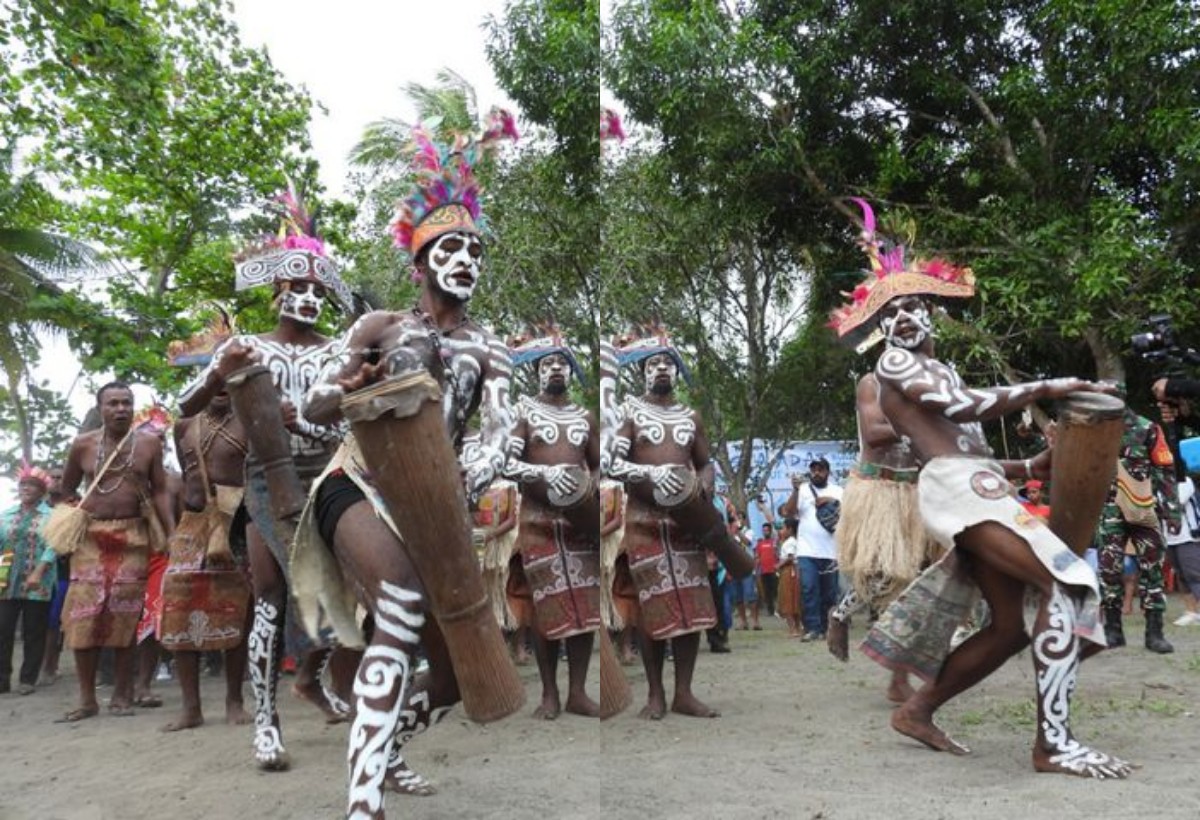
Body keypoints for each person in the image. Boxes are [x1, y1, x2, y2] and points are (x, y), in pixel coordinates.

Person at [833, 202, 1129, 778]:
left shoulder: (939, 370)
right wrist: (1050, 385)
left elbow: (964, 446)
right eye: (893, 312)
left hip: (974, 485)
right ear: (881, 330)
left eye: (917, 305)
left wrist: (1028, 465)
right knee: (1066, 584)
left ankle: (918, 708)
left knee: (1010, 627)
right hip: (959, 495)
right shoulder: (894, 366)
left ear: (934, 314)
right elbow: (961, 412)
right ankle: (1054, 745)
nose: (907, 318)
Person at [293, 126, 516, 815]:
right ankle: (362, 804)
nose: (467, 259)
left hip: (436, 507)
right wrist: (347, 386)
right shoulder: (379, 328)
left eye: (476, 250)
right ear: (420, 261)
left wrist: (467, 480)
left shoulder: (492, 348)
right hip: (357, 482)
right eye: (451, 247)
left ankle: (388, 748)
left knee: (450, 680)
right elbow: (312, 409)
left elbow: (500, 436)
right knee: (398, 603)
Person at [177, 187, 354, 768]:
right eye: (295, 289)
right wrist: (215, 376)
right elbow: (186, 404)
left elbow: (344, 432)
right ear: (277, 294)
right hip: (265, 483)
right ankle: (265, 723)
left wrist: (300, 419)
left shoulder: (336, 354)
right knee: (274, 598)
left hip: (329, 477)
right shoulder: (244, 348)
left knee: (342, 594)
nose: (307, 299)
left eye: (316, 291)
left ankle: (310, 676)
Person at [609, 331, 720, 719]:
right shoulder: (631, 414)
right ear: (643, 371)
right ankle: (655, 693)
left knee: (691, 610)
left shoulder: (691, 417)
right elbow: (613, 464)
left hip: (686, 525)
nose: (661, 369)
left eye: (667, 364)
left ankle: (684, 693)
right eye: (653, 364)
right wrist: (651, 475)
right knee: (650, 609)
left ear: (676, 370)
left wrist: (702, 486)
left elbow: (705, 463)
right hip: (645, 523)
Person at [55, 381, 176, 721]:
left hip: (134, 535)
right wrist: (69, 524)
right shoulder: (82, 445)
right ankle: (86, 699)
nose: (120, 409)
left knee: (125, 616)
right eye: (113, 404)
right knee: (83, 617)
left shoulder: (149, 444)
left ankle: (123, 695)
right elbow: (65, 490)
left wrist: (170, 532)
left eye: (126, 403)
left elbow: (161, 490)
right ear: (100, 408)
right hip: (91, 539)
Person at [504, 334, 601, 719]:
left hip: (579, 524)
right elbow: (508, 464)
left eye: (561, 362)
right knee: (546, 608)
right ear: (536, 372)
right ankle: (549, 694)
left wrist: (589, 482)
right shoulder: (522, 413)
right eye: (547, 364)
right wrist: (546, 472)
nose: (555, 368)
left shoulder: (584, 417)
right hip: (538, 522)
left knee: (583, 610)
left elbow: (596, 464)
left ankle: (577, 692)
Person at [825, 371, 934, 705]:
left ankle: (899, 679)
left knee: (918, 585)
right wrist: (919, 422)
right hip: (878, 492)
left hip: (917, 492)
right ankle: (840, 614)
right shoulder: (873, 383)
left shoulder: (929, 382)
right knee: (887, 577)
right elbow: (874, 433)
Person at [161, 380, 254, 731]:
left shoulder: (249, 421)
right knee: (179, 613)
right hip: (193, 525)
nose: (222, 388)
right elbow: (186, 478)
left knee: (237, 611)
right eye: (214, 382)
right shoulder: (184, 425)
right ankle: (191, 708)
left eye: (230, 382)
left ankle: (234, 701)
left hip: (237, 524)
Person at [1093, 404, 1179, 653]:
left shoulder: (1147, 428)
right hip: (1109, 510)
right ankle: (1113, 630)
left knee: (1152, 568)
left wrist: (1171, 512)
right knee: (1108, 568)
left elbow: (1165, 469)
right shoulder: (1095, 430)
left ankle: (1155, 633)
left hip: (1143, 508)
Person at [0, 464, 57, 695]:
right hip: (5, 577)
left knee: (34, 630)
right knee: (2, 628)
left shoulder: (51, 516)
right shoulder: (6, 514)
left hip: (39, 579)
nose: (26, 489)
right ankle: (2, 679)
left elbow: (54, 546)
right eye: (23, 485)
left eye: (32, 485)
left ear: (42, 491)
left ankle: (28, 679)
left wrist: (39, 571)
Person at [782, 458, 843, 640]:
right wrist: (794, 490)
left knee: (829, 593)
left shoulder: (838, 491)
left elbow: (848, 513)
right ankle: (812, 629)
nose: (816, 472)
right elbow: (788, 512)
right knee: (809, 588)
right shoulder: (802, 490)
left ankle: (825, 628)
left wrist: (830, 500)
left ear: (827, 472)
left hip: (831, 551)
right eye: (813, 469)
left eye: (821, 469)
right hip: (806, 550)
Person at [38, 465, 69, 686]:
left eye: (61, 477)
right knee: (41, 621)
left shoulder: (76, 505)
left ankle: (51, 665)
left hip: (66, 571)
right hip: (41, 571)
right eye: (53, 477)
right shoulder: (38, 509)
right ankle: (40, 666)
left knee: (57, 621)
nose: (57, 481)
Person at [776, 519, 803, 638]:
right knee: (794, 599)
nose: (781, 531)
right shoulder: (793, 541)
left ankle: (793, 629)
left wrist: (778, 565)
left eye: (783, 528)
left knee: (787, 599)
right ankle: (797, 627)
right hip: (793, 571)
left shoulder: (790, 542)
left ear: (790, 529)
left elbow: (790, 557)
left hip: (789, 572)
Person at [753, 523, 779, 618]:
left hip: (774, 570)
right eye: (764, 530)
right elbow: (757, 557)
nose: (765, 532)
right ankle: (770, 610)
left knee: (775, 591)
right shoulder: (760, 543)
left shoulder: (774, 542)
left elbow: (778, 555)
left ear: (770, 531)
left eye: (767, 530)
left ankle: (777, 609)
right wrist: (756, 570)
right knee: (767, 592)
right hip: (764, 571)